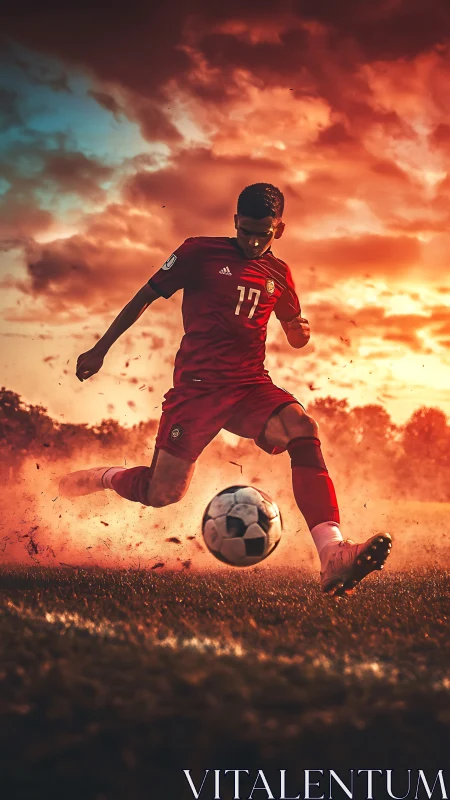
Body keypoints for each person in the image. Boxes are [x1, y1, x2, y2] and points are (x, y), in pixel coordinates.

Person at [60, 183, 391, 595]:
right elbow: (143, 297)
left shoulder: (280, 274)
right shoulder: (198, 253)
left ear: (279, 229)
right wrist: (100, 349)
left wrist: (299, 333)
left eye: (263, 233)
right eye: (246, 231)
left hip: (250, 384)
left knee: (302, 428)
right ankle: (103, 477)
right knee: (162, 493)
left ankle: (333, 553)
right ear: (235, 222)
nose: (252, 241)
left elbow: (294, 330)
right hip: (198, 390)